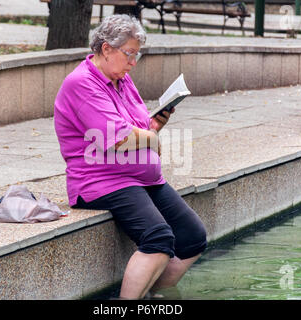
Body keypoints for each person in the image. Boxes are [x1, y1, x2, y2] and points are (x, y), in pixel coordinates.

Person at [54, 14, 207, 299]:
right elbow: (118, 138)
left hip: (139, 178)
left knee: (192, 238)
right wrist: (150, 138)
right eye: (129, 54)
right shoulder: (82, 83)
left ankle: (147, 294)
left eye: (137, 55)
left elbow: (137, 126)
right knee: (159, 239)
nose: (133, 62)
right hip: (101, 180)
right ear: (106, 49)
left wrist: (156, 125)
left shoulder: (121, 79)